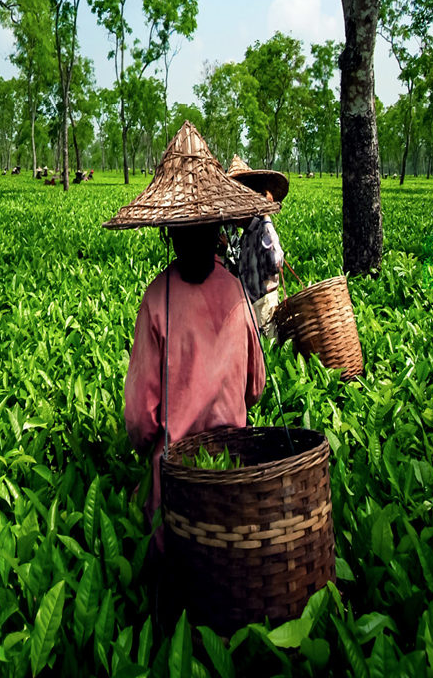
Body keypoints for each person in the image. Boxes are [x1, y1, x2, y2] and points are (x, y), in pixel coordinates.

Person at [104, 122, 278, 556]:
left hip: (175, 487)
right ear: (217, 230)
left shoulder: (156, 299)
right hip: (233, 476)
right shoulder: (236, 292)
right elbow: (255, 388)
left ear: (169, 232)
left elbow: (140, 420)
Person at [225, 155, 288, 339]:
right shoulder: (246, 235)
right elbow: (241, 271)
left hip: (265, 312)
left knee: (267, 353)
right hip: (250, 309)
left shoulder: (262, 229)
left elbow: (276, 261)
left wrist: (266, 215)